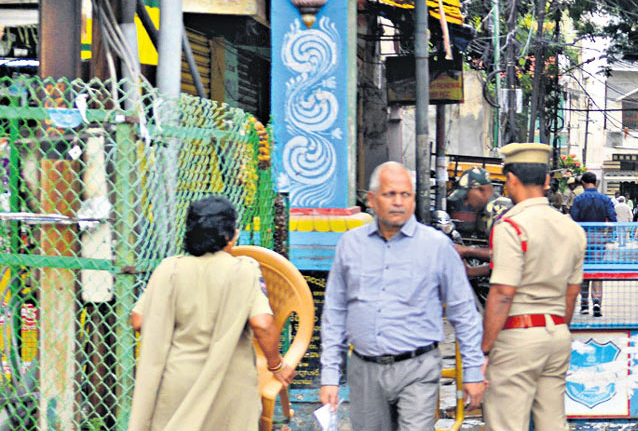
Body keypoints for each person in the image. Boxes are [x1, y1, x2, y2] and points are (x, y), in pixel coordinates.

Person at [319, 162, 485, 430]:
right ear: (372, 199)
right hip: (365, 370)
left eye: (405, 195)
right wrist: (329, 376)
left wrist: (473, 371)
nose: (398, 202)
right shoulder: (350, 245)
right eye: (390, 194)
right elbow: (335, 313)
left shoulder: (436, 246)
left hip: (417, 369)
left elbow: (463, 312)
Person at [128, 196, 295, 431]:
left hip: (177, 382)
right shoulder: (243, 271)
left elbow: (139, 319)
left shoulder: (169, 269)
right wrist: (276, 365)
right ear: (228, 235)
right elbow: (262, 324)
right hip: (228, 386)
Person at [483, 143, 587, 431]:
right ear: (545, 182)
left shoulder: (511, 226)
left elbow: (503, 293)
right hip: (557, 336)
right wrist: (555, 328)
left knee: (507, 424)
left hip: (517, 338)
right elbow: (571, 294)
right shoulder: (573, 230)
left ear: (511, 180)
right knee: (553, 424)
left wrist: (484, 349)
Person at [451, 167, 514, 276]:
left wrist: (468, 250)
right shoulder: (487, 213)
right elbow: (501, 264)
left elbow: (508, 256)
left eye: (466, 197)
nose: (466, 204)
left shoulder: (500, 210)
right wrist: (471, 272)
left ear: (481, 190)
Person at [569, 171, 615, 317]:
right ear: (595, 182)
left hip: (582, 237)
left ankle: (584, 304)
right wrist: (608, 235)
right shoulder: (604, 198)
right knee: (597, 270)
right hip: (599, 237)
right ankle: (597, 302)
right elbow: (613, 219)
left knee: (583, 270)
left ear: (583, 183)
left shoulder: (579, 199)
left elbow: (574, 219)